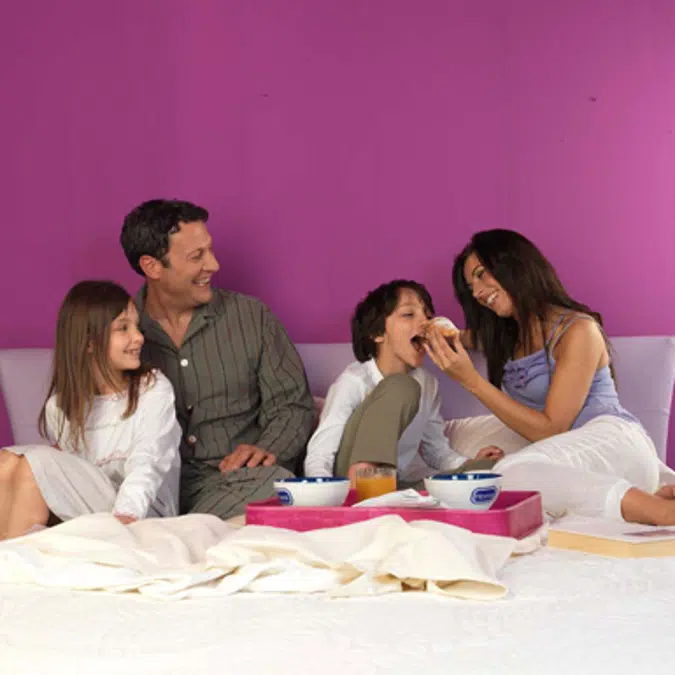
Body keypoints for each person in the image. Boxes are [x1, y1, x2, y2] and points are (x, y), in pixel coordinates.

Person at [423, 228, 675, 525]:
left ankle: (661, 512)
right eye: (471, 286)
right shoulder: (509, 335)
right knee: (450, 436)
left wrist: (470, 381)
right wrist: (436, 330)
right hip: (569, 450)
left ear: (515, 264)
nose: (477, 293)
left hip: (612, 439)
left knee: (510, 474)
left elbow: (552, 429)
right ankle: (641, 493)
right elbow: (462, 336)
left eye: (481, 275)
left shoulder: (578, 331)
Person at [120, 199, 314, 519]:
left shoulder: (251, 317)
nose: (213, 265)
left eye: (209, 250)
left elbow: (292, 405)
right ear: (152, 266)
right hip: (145, 488)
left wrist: (268, 449)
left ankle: (180, 530)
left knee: (278, 484)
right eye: (197, 256)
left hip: (236, 485)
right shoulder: (117, 332)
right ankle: (180, 529)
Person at [0, 281, 181, 539]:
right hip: (90, 513)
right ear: (89, 343)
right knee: (8, 461)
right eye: (123, 328)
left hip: (142, 515)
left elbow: (149, 460)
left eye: (136, 326)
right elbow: (75, 481)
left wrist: (126, 516)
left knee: (32, 464)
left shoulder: (152, 389)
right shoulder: (60, 407)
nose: (139, 337)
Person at [304, 279, 503, 485]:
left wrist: (469, 463)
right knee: (401, 386)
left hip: (396, 482)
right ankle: (368, 483)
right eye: (409, 314)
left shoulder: (427, 383)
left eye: (428, 316)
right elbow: (321, 451)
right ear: (377, 333)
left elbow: (436, 451)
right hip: (351, 481)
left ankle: (388, 492)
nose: (425, 323)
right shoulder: (354, 381)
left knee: (486, 471)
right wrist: (323, 492)